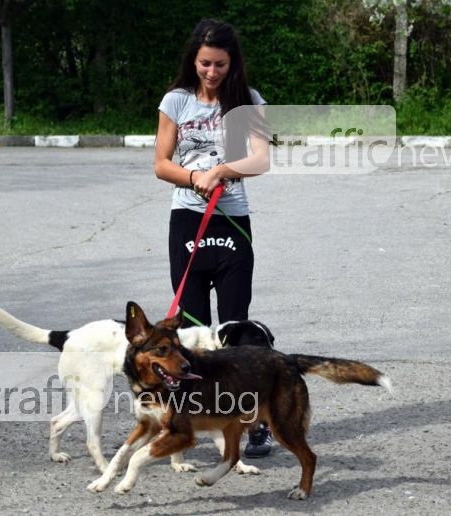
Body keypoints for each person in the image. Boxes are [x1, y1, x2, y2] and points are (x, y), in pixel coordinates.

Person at [153, 18, 272, 458]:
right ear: (194, 60)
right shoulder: (176, 101)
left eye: (220, 64)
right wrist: (194, 176)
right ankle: (197, 416)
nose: (211, 72)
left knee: (236, 328)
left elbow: (259, 160)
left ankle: (252, 420)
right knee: (195, 329)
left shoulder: (248, 102)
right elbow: (161, 163)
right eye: (204, 63)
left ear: (232, 62)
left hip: (232, 222)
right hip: (187, 221)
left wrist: (223, 171)